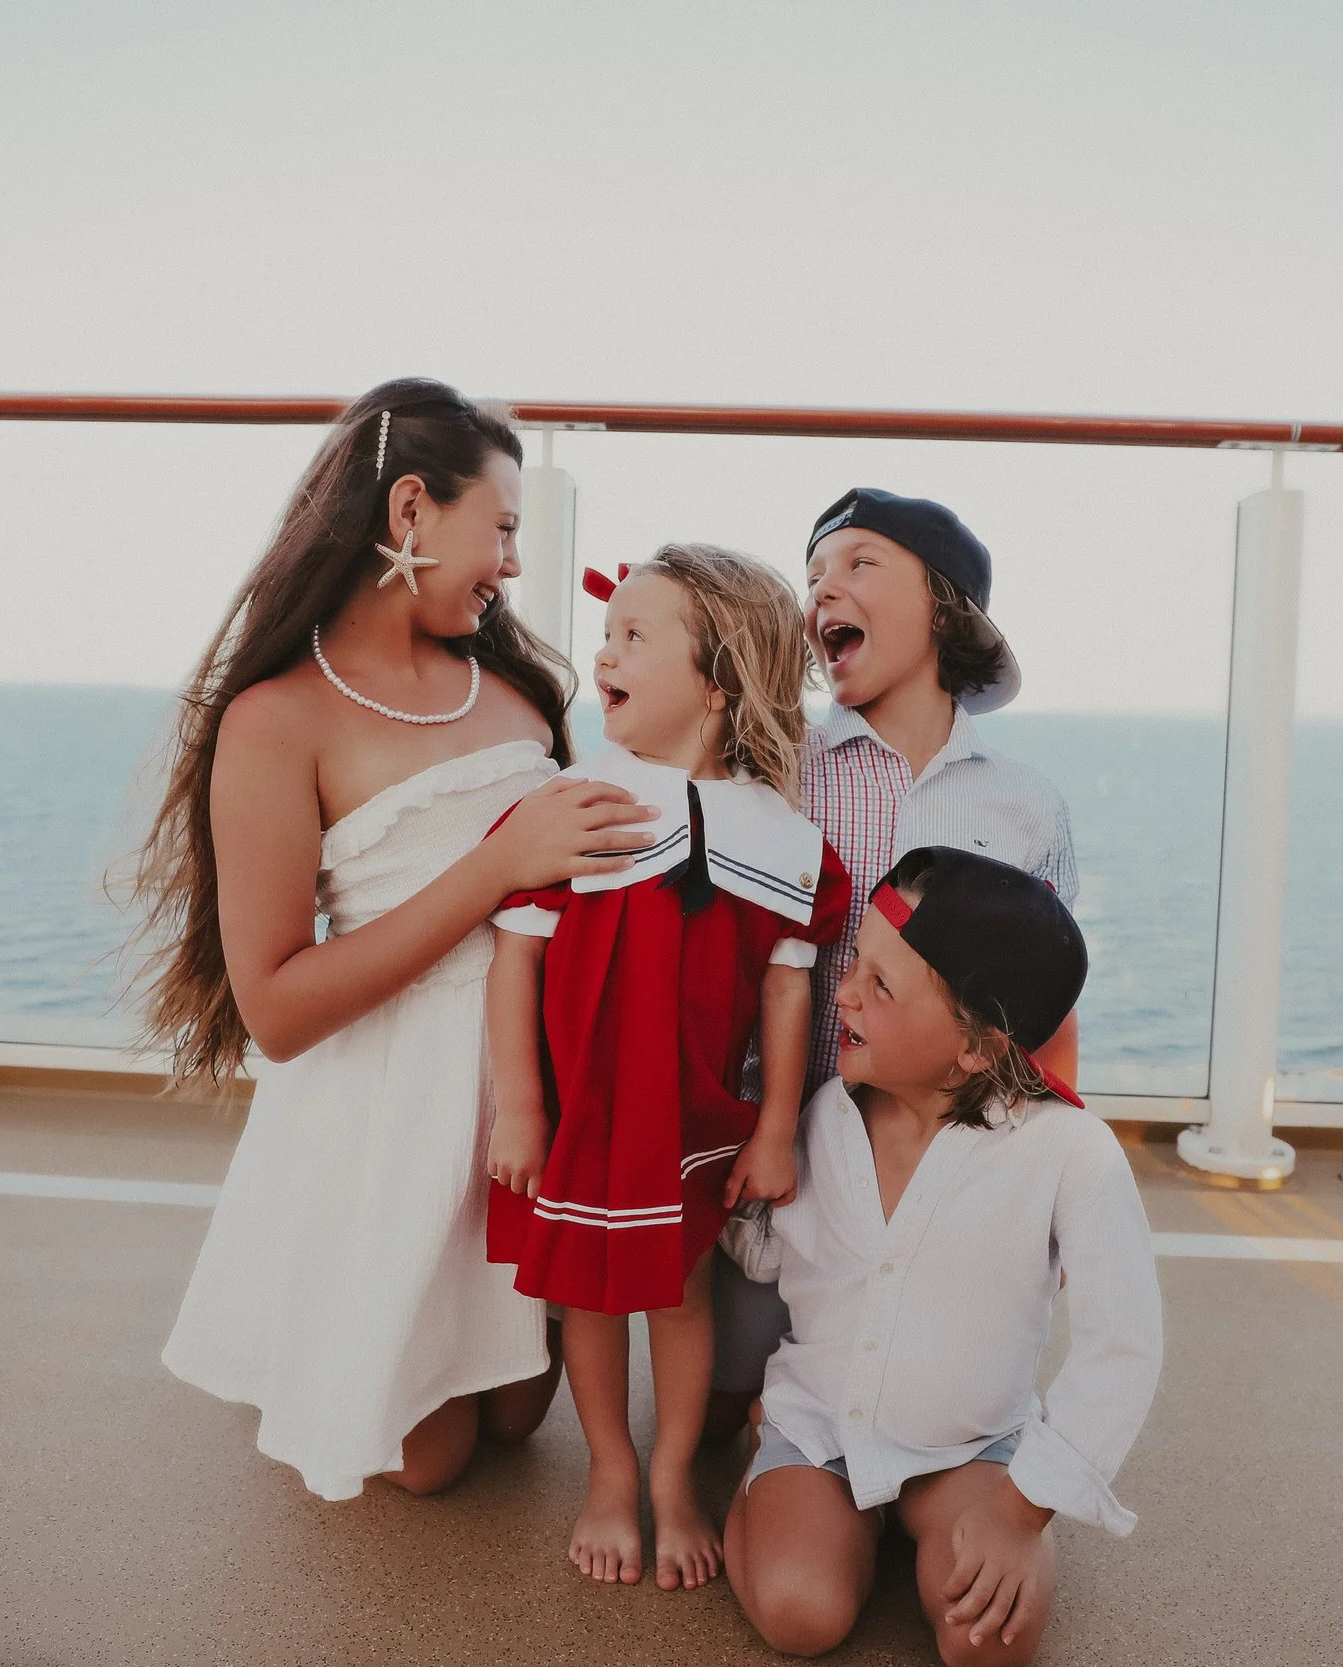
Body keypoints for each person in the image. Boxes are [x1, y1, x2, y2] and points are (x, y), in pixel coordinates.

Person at [138, 378, 656, 1502]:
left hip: (524, 1093)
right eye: (503, 527)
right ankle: (315, 1309)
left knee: (515, 1420)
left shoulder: (520, 686)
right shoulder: (274, 720)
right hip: (385, 1107)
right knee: (428, 1463)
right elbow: (276, 1011)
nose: (513, 563)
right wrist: (492, 869)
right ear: (411, 509)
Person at [484, 545, 852, 1591]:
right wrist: (519, 1106)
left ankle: (675, 1475)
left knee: (680, 1292)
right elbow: (517, 950)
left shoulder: (780, 836)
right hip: (585, 1113)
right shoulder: (577, 799)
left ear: (719, 679)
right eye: (608, 634)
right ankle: (608, 1471)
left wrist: (776, 1123)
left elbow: (788, 987)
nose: (605, 651)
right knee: (593, 1300)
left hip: (694, 1117)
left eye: (635, 636)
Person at [709, 487, 1085, 1444]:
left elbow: (1046, 1007)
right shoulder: (783, 770)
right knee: (726, 1387)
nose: (822, 589)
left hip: (938, 1160)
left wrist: (1060, 1192)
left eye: (859, 563)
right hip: (786, 1147)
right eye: (813, 578)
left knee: (932, 1404)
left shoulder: (1026, 808)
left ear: (945, 605)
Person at [723, 847, 1162, 1666]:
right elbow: (773, 1256)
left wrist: (1024, 1510)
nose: (844, 992)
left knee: (983, 1645)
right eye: (856, 958)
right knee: (799, 1611)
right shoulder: (823, 1117)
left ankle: (929, 1524)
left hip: (972, 1446)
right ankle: (781, 1480)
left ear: (978, 1046)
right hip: (821, 1429)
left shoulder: (1073, 1153)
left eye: (881, 985)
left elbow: (1124, 1346)